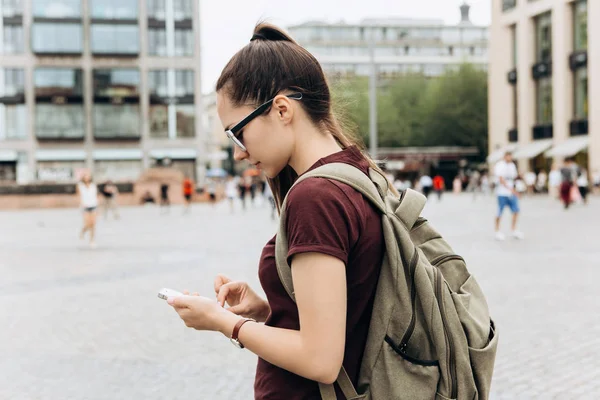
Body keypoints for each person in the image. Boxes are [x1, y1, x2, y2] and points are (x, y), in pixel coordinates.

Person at [165, 23, 392, 399]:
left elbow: (321, 360)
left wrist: (224, 323)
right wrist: (270, 309)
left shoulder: (315, 197)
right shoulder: (356, 172)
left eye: (237, 133)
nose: (237, 151)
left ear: (282, 109)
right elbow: (352, 312)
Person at [494, 151, 524, 240]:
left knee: (516, 210)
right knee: (500, 211)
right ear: (505, 156)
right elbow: (501, 179)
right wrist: (512, 190)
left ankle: (513, 229)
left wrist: (516, 189)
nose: (510, 158)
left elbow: (514, 178)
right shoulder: (500, 165)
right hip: (502, 192)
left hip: (511, 192)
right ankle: (497, 231)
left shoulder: (512, 165)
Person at [77, 173, 99, 248]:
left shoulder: (93, 185)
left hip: (94, 205)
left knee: (93, 224)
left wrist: (98, 205)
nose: (87, 178)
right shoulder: (80, 186)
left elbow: (95, 195)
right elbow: (79, 196)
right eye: (85, 176)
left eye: (88, 176)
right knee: (87, 224)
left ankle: (92, 240)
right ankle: (83, 231)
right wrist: (81, 203)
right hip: (85, 206)